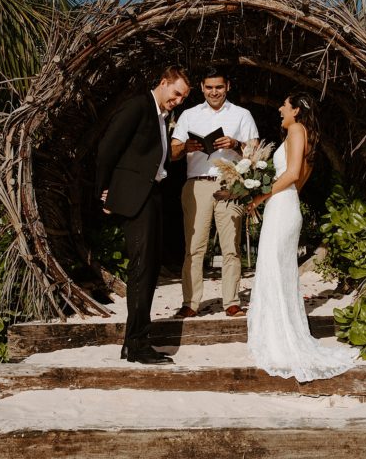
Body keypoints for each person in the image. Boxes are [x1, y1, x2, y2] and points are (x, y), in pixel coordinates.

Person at [246, 92, 357, 382]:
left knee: (273, 268)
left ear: (296, 110)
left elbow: (293, 173)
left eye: (284, 104)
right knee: (279, 270)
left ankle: (279, 340)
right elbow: (299, 179)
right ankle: (279, 332)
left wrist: (260, 196)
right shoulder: (306, 135)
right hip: (288, 204)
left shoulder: (296, 130)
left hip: (282, 207)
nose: (280, 108)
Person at [96, 65, 191, 364]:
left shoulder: (162, 116)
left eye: (183, 98)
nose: (178, 101)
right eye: (176, 94)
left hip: (152, 197)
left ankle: (132, 343)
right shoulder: (138, 106)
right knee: (142, 272)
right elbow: (107, 149)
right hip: (136, 198)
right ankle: (138, 345)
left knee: (148, 271)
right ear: (163, 83)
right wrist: (105, 191)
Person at [170, 67, 259, 318]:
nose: (214, 92)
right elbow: (173, 153)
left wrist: (235, 144)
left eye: (219, 87)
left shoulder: (242, 115)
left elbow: (254, 155)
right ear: (201, 87)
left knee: (231, 246)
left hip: (230, 184)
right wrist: (187, 145)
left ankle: (231, 301)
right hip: (197, 184)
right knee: (194, 247)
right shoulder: (188, 115)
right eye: (209, 87)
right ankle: (190, 303)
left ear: (227, 86)